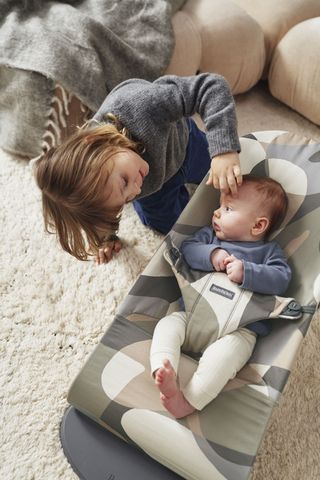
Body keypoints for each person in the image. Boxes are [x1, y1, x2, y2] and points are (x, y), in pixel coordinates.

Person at [34, 73, 242, 264]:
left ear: (97, 145)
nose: (134, 190)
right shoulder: (110, 182)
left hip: (184, 146)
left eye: (124, 181)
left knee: (232, 178)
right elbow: (93, 210)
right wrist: (105, 236)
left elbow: (210, 87)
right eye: (126, 199)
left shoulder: (140, 105)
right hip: (156, 189)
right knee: (176, 228)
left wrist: (223, 151)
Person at [150, 175, 292, 418]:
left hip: (239, 330)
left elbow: (281, 279)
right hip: (193, 315)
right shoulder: (209, 238)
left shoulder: (268, 253)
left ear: (258, 226)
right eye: (219, 206)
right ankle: (165, 368)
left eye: (227, 208)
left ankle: (189, 401)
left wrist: (247, 271)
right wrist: (213, 254)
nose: (216, 213)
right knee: (167, 325)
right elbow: (188, 251)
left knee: (226, 358)